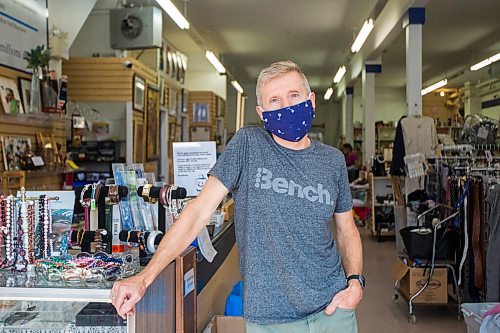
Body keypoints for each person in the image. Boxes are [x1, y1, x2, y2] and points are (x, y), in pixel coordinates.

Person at [111, 60, 363, 332]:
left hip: (333, 310)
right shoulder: (247, 145)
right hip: (271, 320)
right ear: (262, 112)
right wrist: (144, 277)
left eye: (294, 96)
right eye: (274, 101)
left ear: (311, 100)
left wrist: (355, 283)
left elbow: (346, 229)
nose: (286, 106)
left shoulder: (332, 160)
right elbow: (197, 211)